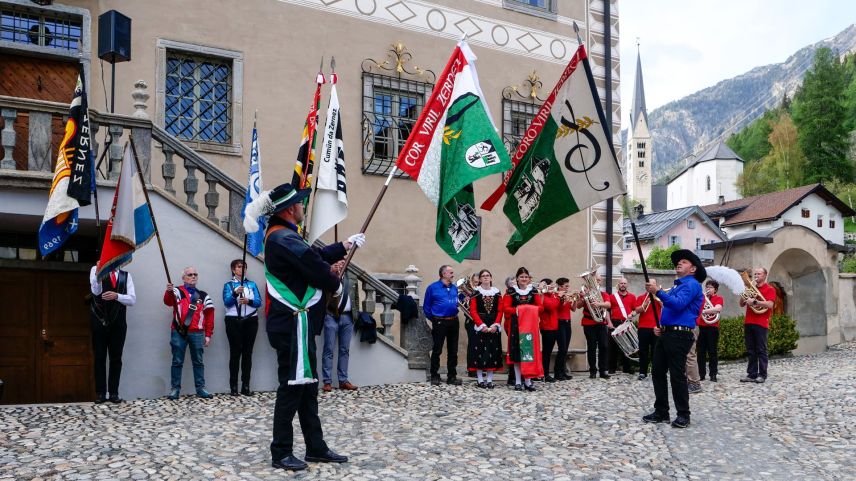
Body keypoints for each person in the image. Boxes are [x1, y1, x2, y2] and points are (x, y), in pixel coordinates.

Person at [244, 182, 363, 471]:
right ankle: (281, 451)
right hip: (291, 326)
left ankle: (315, 446)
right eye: (299, 203)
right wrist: (332, 275)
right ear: (288, 209)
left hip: (298, 325)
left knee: (307, 387)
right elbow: (316, 267)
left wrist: (343, 247)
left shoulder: (284, 235)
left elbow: (313, 257)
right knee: (291, 386)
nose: (302, 207)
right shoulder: (284, 239)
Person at [642, 249, 705, 429]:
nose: (679, 263)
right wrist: (662, 326)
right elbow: (670, 309)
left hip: (680, 335)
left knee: (677, 375)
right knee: (657, 372)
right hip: (668, 333)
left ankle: (683, 414)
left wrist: (658, 291)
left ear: (693, 269)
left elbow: (678, 305)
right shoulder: (678, 285)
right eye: (679, 261)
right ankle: (661, 411)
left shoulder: (692, 285)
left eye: (684, 262)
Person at [164, 267, 215, 400]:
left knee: (198, 361)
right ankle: (175, 389)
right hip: (178, 331)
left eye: (195, 274)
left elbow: (209, 316)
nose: (193, 276)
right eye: (190, 274)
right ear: (184, 277)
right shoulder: (176, 291)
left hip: (197, 333)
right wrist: (168, 291)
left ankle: (201, 388)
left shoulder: (204, 295)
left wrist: (208, 334)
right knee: (177, 361)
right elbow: (168, 302)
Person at [89, 265, 136, 404]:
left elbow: (132, 299)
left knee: (116, 358)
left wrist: (117, 296)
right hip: (99, 320)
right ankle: (100, 393)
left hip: (119, 323)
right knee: (99, 357)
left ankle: (114, 393)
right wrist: (99, 274)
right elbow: (95, 291)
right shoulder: (96, 269)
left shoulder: (126, 275)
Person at [222, 259, 262, 396]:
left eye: (244, 267)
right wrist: (234, 293)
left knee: (248, 353)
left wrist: (248, 301)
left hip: (250, 320)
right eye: (239, 267)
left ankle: (246, 385)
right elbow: (227, 302)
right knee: (235, 353)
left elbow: (258, 302)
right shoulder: (228, 285)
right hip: (233, 321)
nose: (242, 269)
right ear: (233, 269)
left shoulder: (251, 284)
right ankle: (233, 387)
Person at [502, 267, 543, 391]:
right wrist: (521, 309)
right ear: (517, 279)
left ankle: (528, 381)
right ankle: (518, 381)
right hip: (516, 325)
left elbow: (540, 307)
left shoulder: (533, 291)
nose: (524, 279)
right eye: (521, 277)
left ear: (528, 279)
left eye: (526, 277)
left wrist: (526, 309)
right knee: (517, 354)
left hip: (530, 325)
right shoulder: (511, 291)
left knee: (528, 352)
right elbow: (506, 308)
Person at [322, 260, 357, 393]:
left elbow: (356, 298)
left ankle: (343, 380)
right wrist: (331, 273)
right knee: (328, 349)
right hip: (330, 315)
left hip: (347, 317)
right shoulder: (327, 278)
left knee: (344, 350)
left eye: (342, 263)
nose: (340, 265)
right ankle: (327, 381)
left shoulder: (351, 278)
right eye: (337, 263)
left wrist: (356, 315)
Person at [424, 265, 463, 386]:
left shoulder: (454, 288)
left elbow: (457, 303)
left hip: (454, 321)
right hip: (439, 321)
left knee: (453, 350)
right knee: (437, 349)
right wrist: (435, 319)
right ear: (443, 274)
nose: (453, 274)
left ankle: (452, 376)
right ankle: (434, 375)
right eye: (451, 272)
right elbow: (426, 307)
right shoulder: (432, 288)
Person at [468, 269, 503, 388]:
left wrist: (496, 324)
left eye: (488, 275)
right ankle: (479, 379)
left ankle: (489, 380)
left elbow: (500, 310)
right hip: (480, 324)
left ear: (491, 278)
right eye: (483, 276)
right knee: (479, 351)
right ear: (480, 279)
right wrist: (481, 325)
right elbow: (473, 310)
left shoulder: (497, 292)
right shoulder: (476, 293)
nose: (486, 277)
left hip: (493, 324)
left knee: (492, 351)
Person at [739, 267, 776, 384]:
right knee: (751, 350)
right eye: (755, 274)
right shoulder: (750, 288)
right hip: (749, 322)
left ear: (765, 275)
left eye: (759, 274)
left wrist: (755, 302)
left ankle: (762, 374)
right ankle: (751, 374)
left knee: (761, 350)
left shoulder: (770, 289)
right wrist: (744, 293)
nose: (756, 276)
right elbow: (741, 304)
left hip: (761, 322)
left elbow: (770, 305)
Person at [577, 273, 613, 379]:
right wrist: (583, 298)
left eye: (598, 280)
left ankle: (603, 371)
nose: (597, 282)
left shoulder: (603, 294)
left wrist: (599, 304)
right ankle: (592, 371)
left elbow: (608, 305)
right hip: (588, 323)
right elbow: (578, 306)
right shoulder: (585, 293)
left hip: (601, 323)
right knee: (591, 347)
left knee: (604, 347)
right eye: (595, 280)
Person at [608, 277, 636, 374]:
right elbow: (607, 311)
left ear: (627, 285)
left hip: (626, 322)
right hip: (615, 322)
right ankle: (612, 368)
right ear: (618, 285)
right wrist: (609, 322)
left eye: (624, 283)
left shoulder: (632, 297)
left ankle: (627, 368)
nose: (623, 285)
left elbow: (634, 310)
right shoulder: (612, 297)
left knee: (627, 346)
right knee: (613, 346)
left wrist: (632, 316)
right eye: (621, 283)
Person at [697, 280, 723, 382]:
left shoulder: (719, 298)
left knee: (712, 352)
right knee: (701, 352)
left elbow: (717, 309)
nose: (708, 289)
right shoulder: (702, 299)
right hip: (702, 327)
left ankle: (713, 374)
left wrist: (704, 311)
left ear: (715, 289)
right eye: (707, 287)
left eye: (710, 287)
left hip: (713, 328)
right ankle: (701, 374)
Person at [632, 290, 661, 380]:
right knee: (643, 351)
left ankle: (655, 372)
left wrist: (658, 299)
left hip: (656, 327)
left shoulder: (660, 297)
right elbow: (637, 310)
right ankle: (642, 372)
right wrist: (645, 303)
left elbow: (666, 307)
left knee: (656, 351)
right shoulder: (641, 297)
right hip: (643, 327)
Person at [538, 278, 560, 383]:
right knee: (546, 352)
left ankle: (545, 373)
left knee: (549, 351)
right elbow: (551, 306)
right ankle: (545, 374)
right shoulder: (545, 297)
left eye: (552, 285)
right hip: (547, 327)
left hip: (553, 327)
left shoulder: (552, 296)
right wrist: (558, 297)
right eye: (550, 286)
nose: (552, 287)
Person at [554, 277, 575, 381]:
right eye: (566, 286)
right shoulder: (557, 295)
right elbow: (558, 307)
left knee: (565, 349)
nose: (568, 288)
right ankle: (558, 373)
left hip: (568, 322)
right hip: (559, 322)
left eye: (568, 286)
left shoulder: (567, 296)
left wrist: (575, 299)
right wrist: (563, 298)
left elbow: (574, 309)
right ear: (560, 286)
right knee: (561, 349)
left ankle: (562, 372)